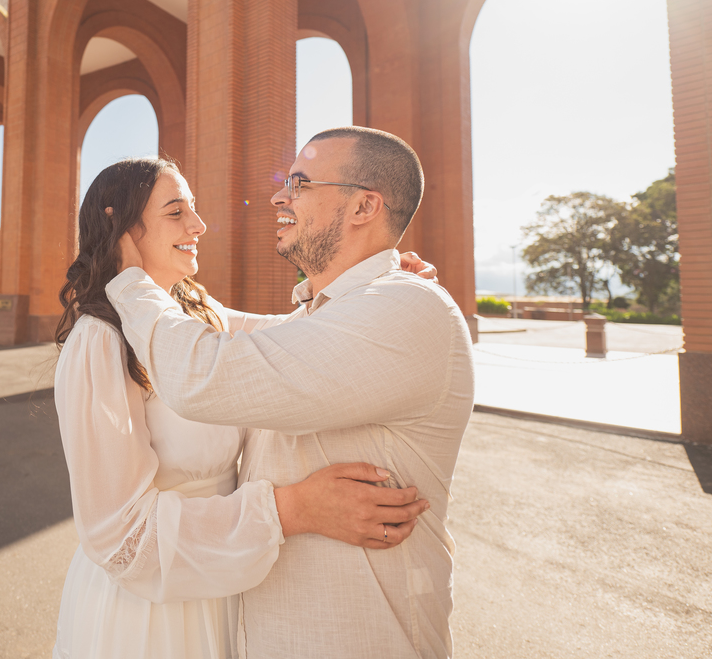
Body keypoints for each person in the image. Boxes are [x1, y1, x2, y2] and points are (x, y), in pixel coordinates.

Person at [107, 127, 475, 658]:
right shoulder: (322, 316)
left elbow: (201, 374)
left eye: (299, 184)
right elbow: (225, 327)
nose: (279, 197)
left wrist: (127, 278)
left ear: (364, 206)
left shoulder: (409, 310)